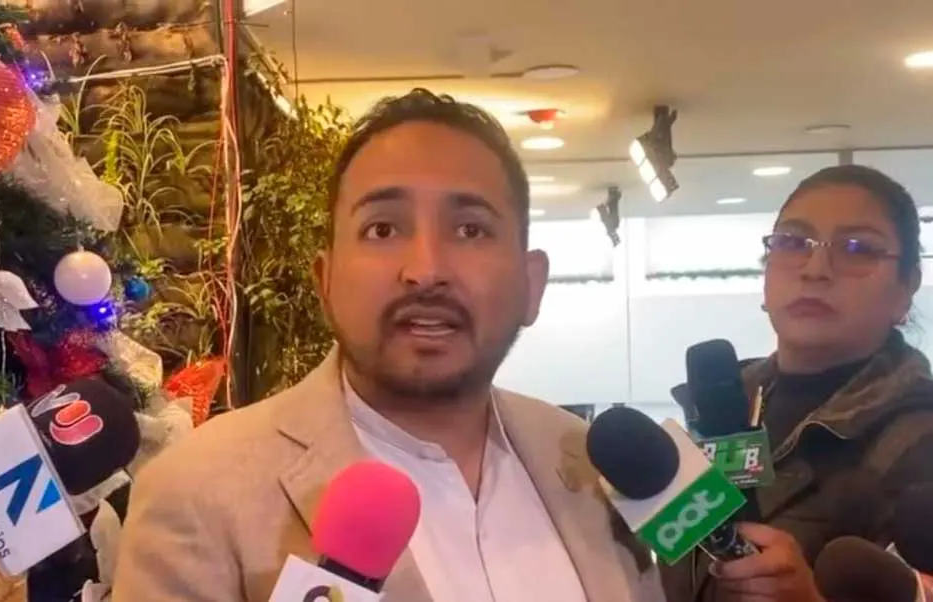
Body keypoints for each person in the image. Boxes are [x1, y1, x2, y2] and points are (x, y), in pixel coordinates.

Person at [111, 89, 664, 602]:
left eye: (470, 230)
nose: (425, 270)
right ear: (326, 281)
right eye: (382, 229)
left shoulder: (591, 462)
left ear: (531, 285)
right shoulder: (196, 492)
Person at [663, 164, 933, 602]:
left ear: (907, 288)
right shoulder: (720, 410)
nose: (815, 268)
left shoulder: (919, 441)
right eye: (792, 242)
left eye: (857, 248)